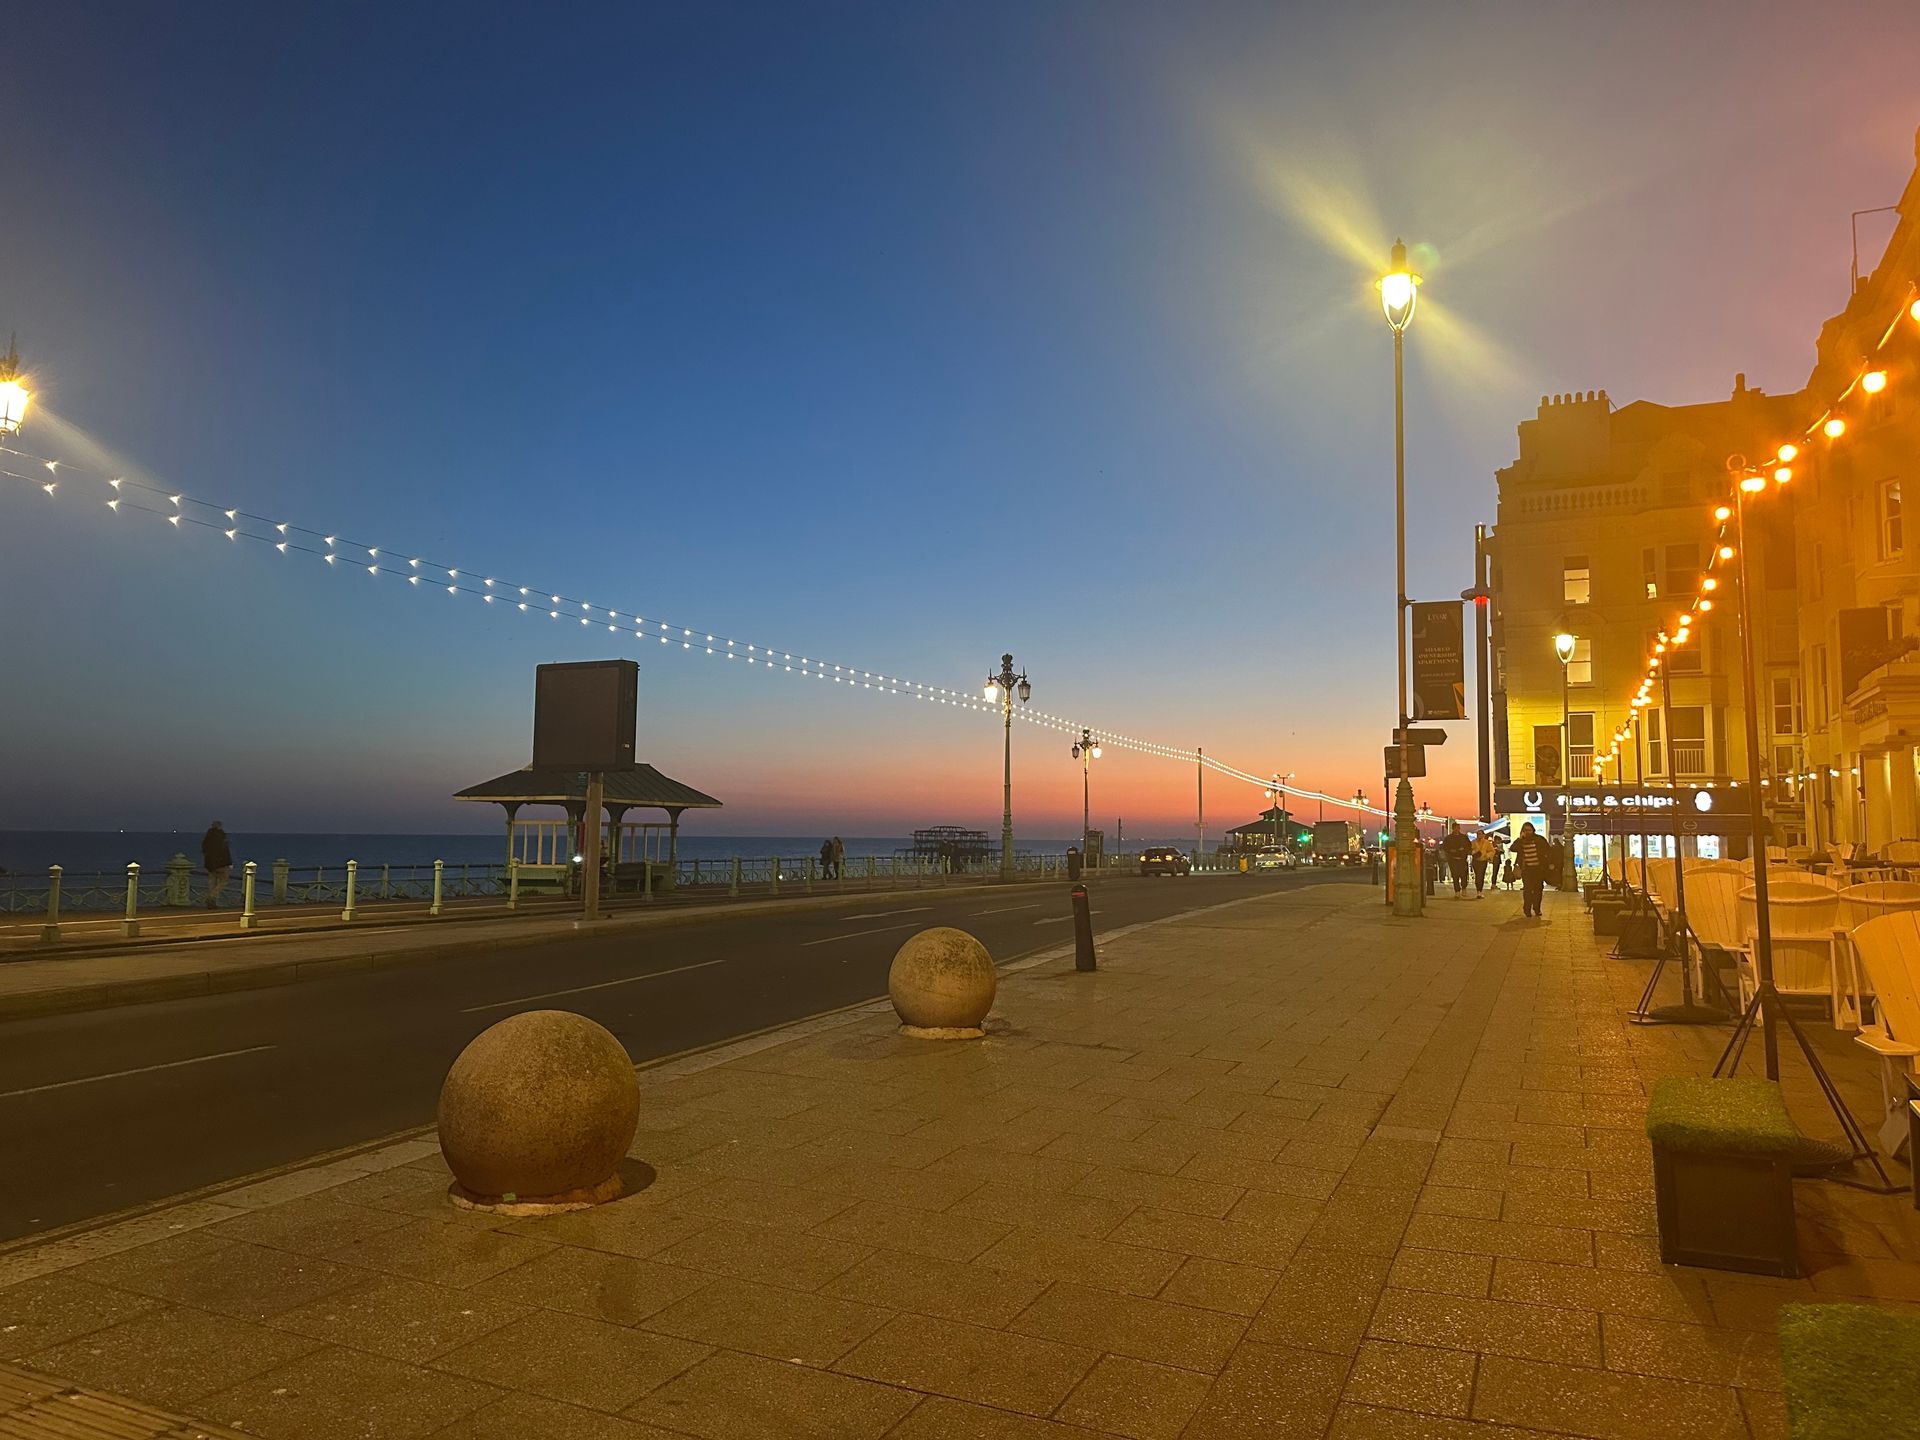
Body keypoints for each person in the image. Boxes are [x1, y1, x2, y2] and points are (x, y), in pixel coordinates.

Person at [1513, 821, 1550, 918]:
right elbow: (1512, 848)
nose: (1528, 832)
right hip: (1527, 870)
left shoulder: (1539, 839)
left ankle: (1537, 908)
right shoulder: (1521, 841)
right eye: (1525, 830)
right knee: (1528, 890)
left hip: (1538, 869)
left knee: (1538, 890)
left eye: (1529, 830)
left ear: (1533, 830)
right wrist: (1520, 838)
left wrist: (1547, 863)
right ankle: (1527, 909)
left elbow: (1548, 850)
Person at [201, 820, 233, 909]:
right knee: (223, 881)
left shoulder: (207, 838)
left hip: (210, 864)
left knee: (212, 882)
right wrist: (229, 863)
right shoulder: (221, 837)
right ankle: (212, 897)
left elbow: (204, 850)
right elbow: (225, 851)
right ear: (219, 827)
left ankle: (212, 903)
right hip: (222, 864)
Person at [1441, 823, 1471, 896]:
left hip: (1462, 859)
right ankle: (1457, 891)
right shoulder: (1448, 838)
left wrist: (1463, 850)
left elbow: (1468, 846)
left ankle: (1464, 888)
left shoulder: (1464, 837)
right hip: (1453, 859)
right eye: (1456, 828)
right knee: (1455, 875)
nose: (1457, 829)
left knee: (1463, 875)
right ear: (1453, 828)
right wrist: (1451, 851)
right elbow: (1445, 847)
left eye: (1458, 828)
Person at [1471, 831, 1496, 895]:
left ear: (1483, 835)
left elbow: (1492, 851)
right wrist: (1474, 852)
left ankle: (1480, 891)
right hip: (1475, 861)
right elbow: (1470, 850)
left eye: (1480, 834)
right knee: (1477, 875)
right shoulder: (1473, 842)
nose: (1479, 835)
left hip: (1483, 861)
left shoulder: (1487, 842)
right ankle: (1478, 890)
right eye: (1478, 834)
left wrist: (1487, 855)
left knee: (1481, 875)